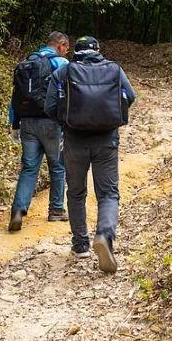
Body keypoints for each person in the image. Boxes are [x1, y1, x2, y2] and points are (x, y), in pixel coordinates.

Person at [44, 36, 136, 273]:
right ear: (97, 50)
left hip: (74, 141)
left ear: (76, 52)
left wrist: (68, 122)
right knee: (108, 193)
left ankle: (81, 245)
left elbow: (49, 107)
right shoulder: (114, 69)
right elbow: (130, 96)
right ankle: (104, 235)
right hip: (107, 140)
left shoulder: (64, 73)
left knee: (75, 193)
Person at [8, 31, 71, 232]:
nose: (66, 53)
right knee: (57, 166)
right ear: (60, 45)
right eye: (66, 48)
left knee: (28, 168)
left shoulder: (26, 63)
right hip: (51, 123)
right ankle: (56, 210)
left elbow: (15, 98)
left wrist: (14, 124)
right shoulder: (61, 64)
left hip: (27, 123)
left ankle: (18, 210)